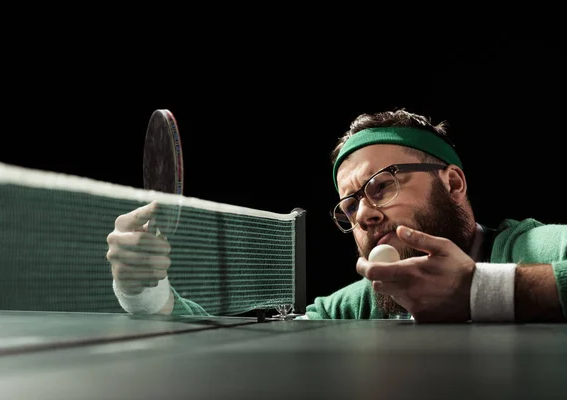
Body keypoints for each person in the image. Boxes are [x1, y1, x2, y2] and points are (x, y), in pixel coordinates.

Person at [106, 109, 567, 323]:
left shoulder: (531, 248)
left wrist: (477, 291)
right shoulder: (358, 305)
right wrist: (146, 289)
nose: (364, 214)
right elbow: (230, 347)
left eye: (381, 185)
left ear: (452, 183)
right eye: (350, 206)